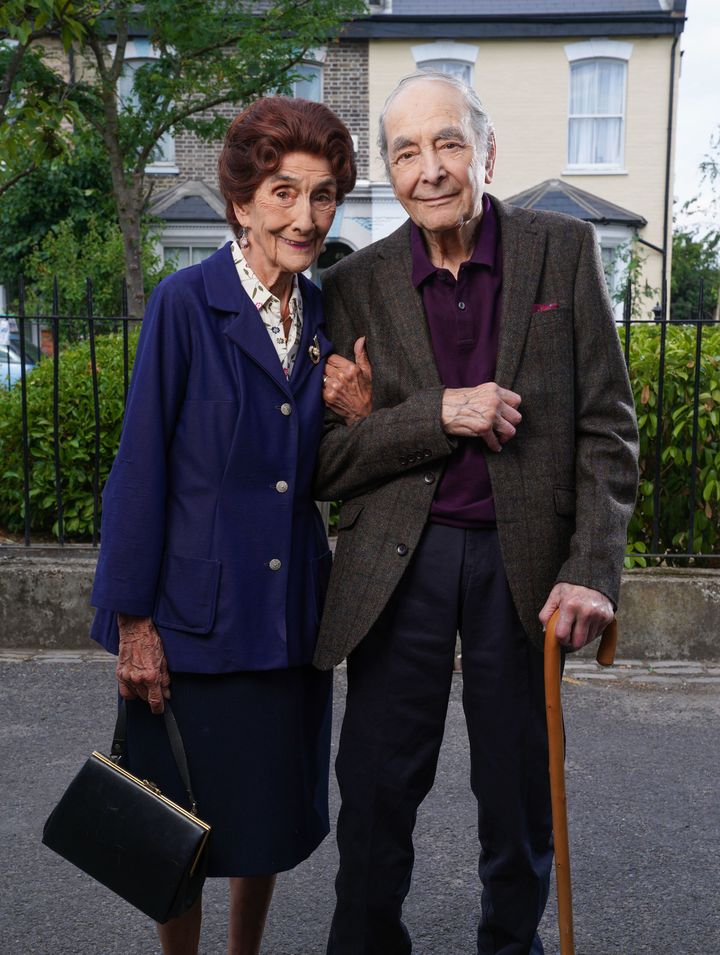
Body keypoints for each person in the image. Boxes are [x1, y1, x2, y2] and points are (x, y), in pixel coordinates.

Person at [315, 72, 639, 955]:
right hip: (398, 566)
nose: (429, 169)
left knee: (518, 793)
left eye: (449, 143)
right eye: (407, 151)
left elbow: (608, 427)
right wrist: (436, 412)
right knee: (377, 792)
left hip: (523, 566)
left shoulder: (562, 251)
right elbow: (326, 464)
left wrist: (590, 567)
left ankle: (511, 945)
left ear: (487, 152)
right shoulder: (353, 285)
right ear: (390, 167)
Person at [89, 96, 369, 955]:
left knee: (265, 826)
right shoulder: (185, 304)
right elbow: (141, 470)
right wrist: (134, 624)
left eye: (322, 195)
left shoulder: (322, 315)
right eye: (283, 192)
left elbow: (319, 467)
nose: (305, 215)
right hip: (194, 626)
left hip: (288, 627)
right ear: (242, 202)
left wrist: (359, 413)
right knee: (180, 828)